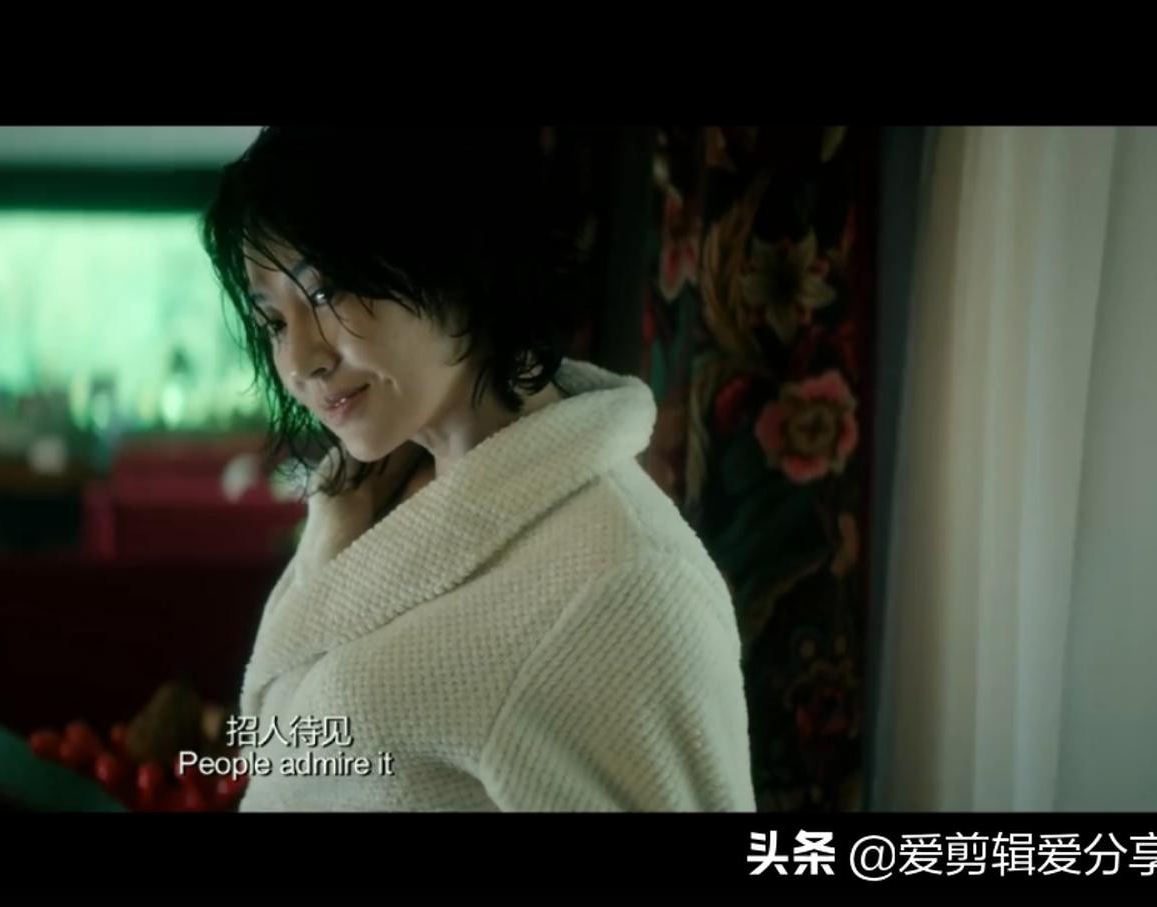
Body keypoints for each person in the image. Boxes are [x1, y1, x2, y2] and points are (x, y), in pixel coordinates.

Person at [201, 127, 755, 811]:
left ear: (455, 251)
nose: (299, 361)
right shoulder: (368, 497)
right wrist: (332, 534)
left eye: (327, 292)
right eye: (274, 323)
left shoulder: (624, 580)